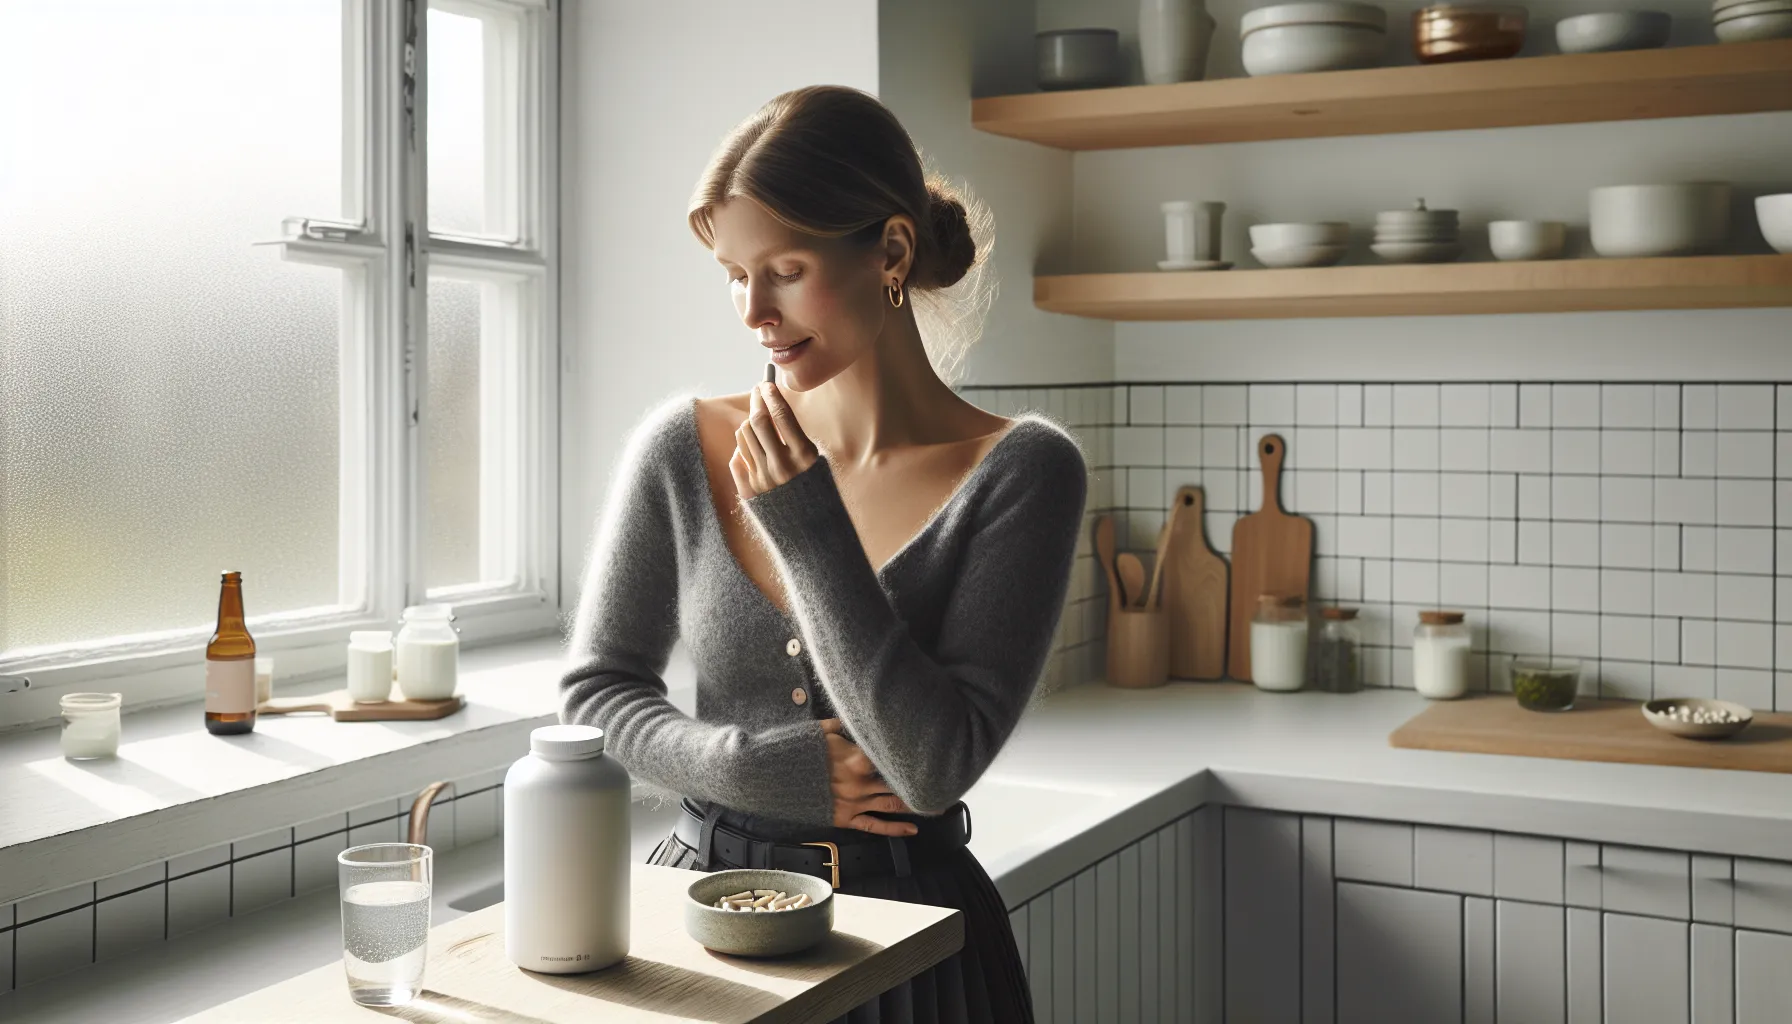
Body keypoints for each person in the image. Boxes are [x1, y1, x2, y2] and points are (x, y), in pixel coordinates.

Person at [561, 83, 1086, 1023]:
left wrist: (806, 528)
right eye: (734, 273)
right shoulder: (683, 447)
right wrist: (751, 767)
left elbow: (934, 768)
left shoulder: (1024, 473)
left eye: (786, 269)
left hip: (917, 946)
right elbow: (596, 694)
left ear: (892, 252)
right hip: (695, 923)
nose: (753, 311)